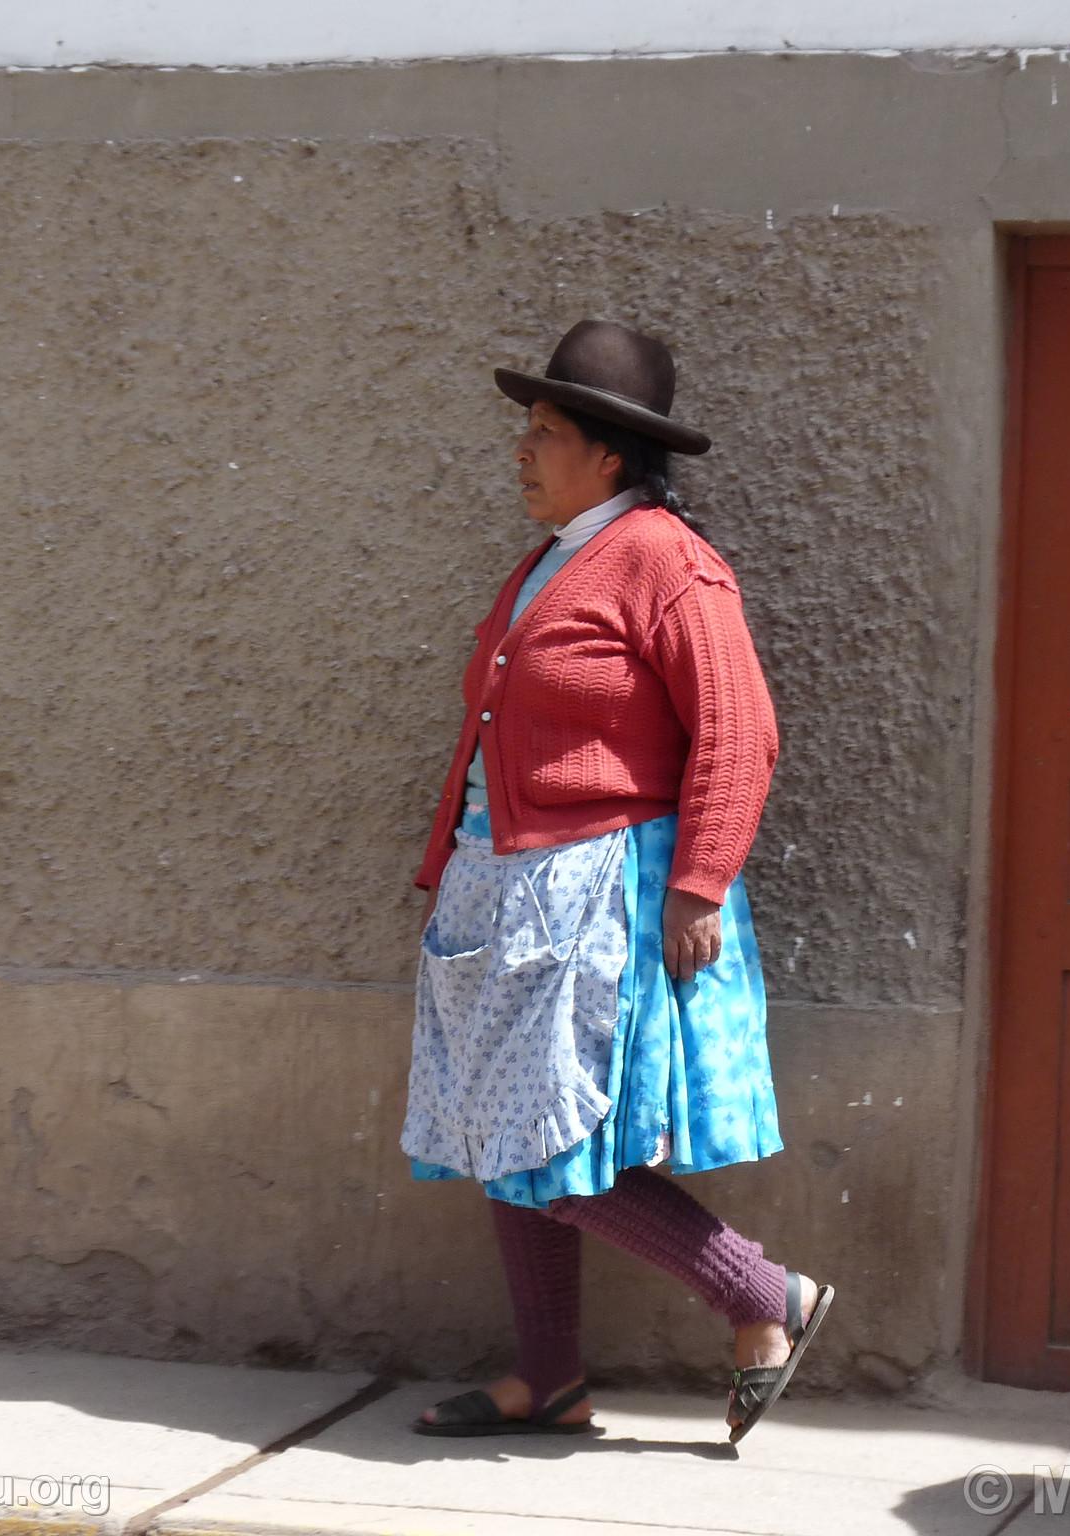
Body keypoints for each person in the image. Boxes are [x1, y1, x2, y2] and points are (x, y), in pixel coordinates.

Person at [398, 318, 833, 1443]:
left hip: (593, 886)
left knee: (550, 1137)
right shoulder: (550, 558)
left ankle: (760, 1295)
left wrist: (698, 884)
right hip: (504, 883)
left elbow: (739, 730)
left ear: (606, 454)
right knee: (504, 1131)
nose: (521, 449)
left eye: (542, 431)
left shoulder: (665, 560)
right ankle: (547, 1378)